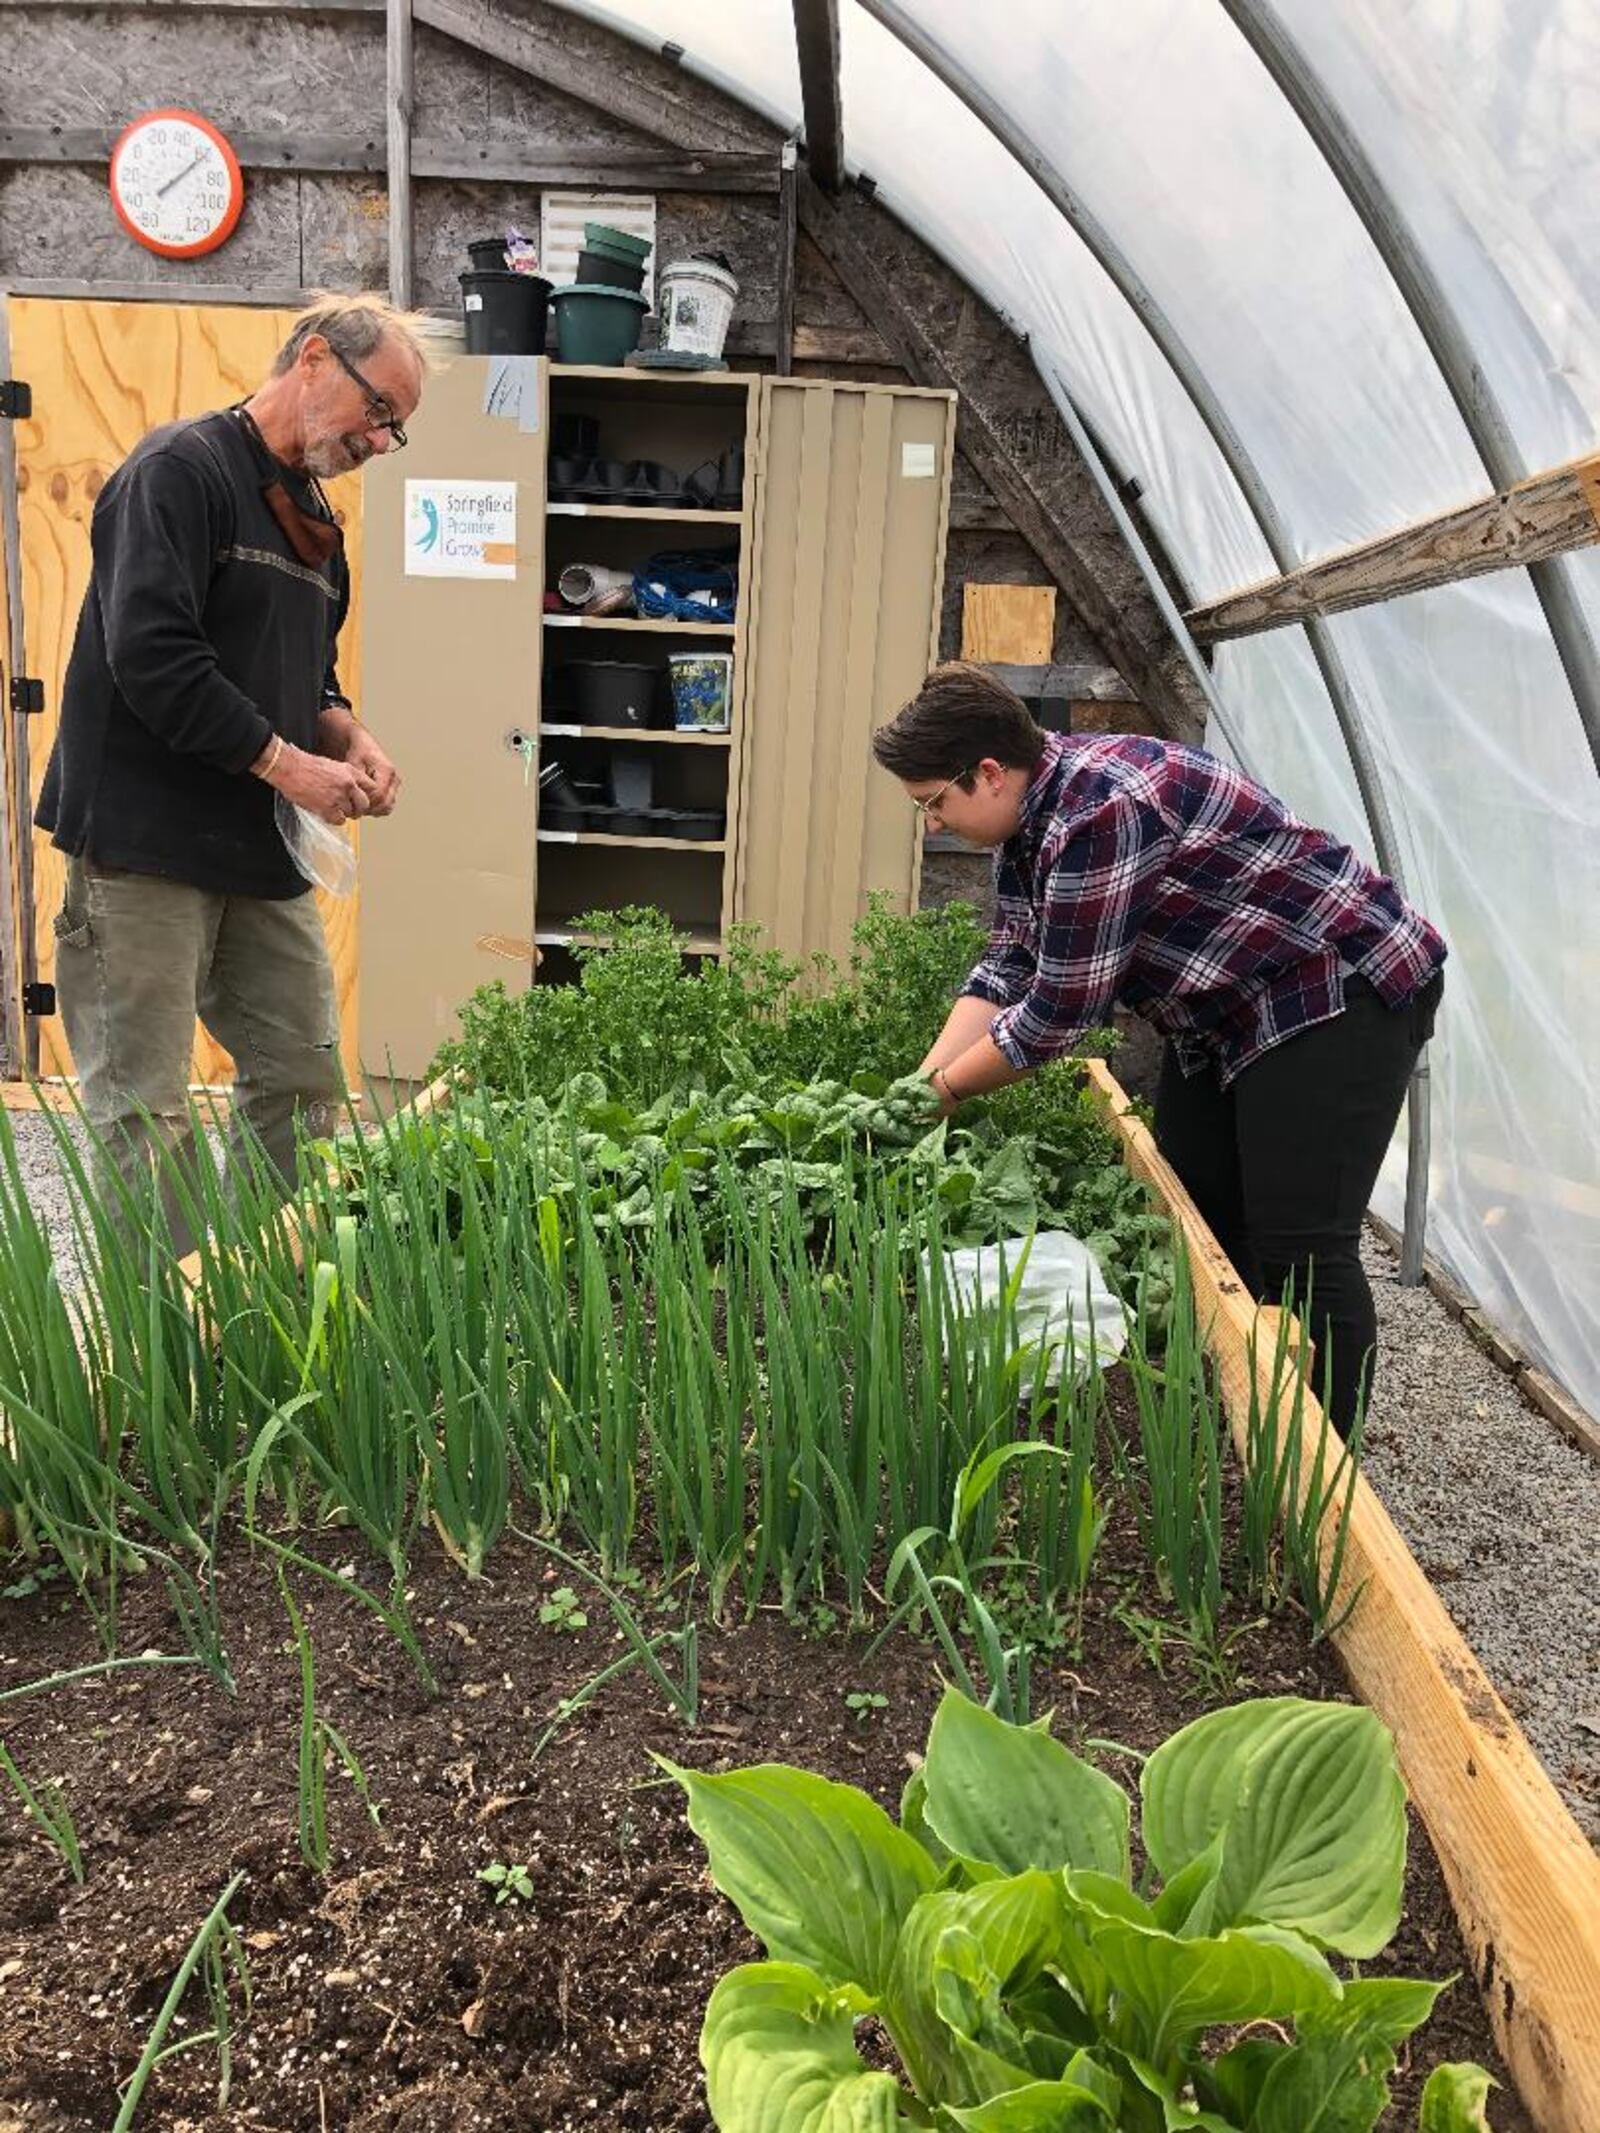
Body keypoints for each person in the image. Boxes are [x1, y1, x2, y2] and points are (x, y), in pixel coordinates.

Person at [871, 662, 1446, 1432]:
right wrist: (920, 1083)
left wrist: (942, 1097)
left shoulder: (1101, 809)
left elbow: (1058, 1012)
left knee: (1302, 1247)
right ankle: (1244, 1417)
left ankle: (1327, 1483)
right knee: (1198, 1212)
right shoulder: (1029, 820)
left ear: (989, 771)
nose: (932, 823)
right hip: (1225, 1010)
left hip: (1333, 989)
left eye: (934, 803)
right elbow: (1009, 963)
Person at [36, 294, 428, 1249]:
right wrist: (289, 768)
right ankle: (164, 1349)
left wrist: (348, 736)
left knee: (298, 1078)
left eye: (396, 429)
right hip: (143, 847)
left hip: (256, 852)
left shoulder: (311, 519)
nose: (381, 441)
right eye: (380, 413)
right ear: (317, 360)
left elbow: (310, 673)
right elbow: (154, 656)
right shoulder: (182, 471)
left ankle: (254, 1304)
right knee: (147, 1109)